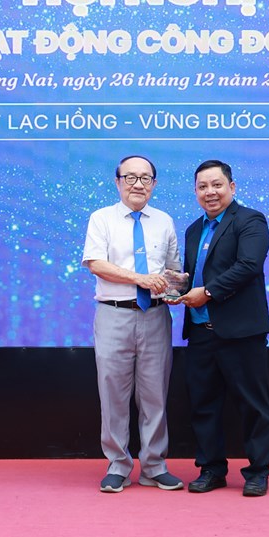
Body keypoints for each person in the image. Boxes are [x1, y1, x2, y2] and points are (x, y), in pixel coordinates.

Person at [82, 155, 185, 493]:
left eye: (145, 178)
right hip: (114, 313)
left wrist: (176, 287)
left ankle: (154, 465)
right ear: (118, 182)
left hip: (155, 315)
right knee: (113, 392)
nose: (138, 184)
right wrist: (140, 279)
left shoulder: (164, 221)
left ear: (154, 184)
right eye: (130, 177)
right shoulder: (101, 218)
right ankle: (118, 465)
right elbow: (96, 263)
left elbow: (171, 269)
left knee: (155, 393)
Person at [178, 159, 269, 497]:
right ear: (195, 192)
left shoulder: (250, 220)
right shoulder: (193, 230)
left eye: (217, 185)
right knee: (203, 404)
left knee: (252, 404)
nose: (210, 192)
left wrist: (206, 293)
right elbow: (195, 275)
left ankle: (258, 472)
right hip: (201, 331)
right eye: (202, 186)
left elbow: (248, 265)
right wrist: (177, 285)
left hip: (241, 332)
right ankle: (211, 469)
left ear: (231, 187)